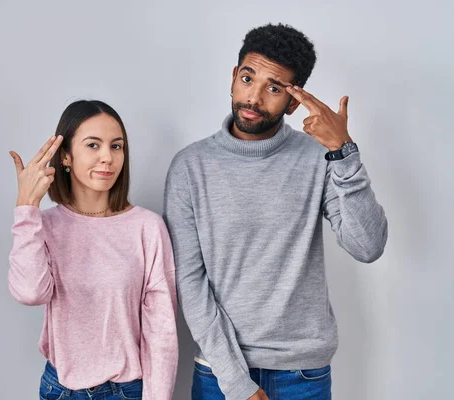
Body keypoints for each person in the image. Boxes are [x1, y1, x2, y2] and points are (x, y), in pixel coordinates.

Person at [163, 23, 388, 400]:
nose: (253, 98)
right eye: (248, 78)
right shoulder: (190, 167)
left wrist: (344, 153)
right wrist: (237, 383)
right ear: (234, 77)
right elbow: (190, 281)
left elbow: (368, 246)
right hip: (220, 374)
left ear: (294, 102)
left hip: (302, 375)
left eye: (274, 88)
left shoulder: (318, 158)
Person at [8, 100, 178, 400]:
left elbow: (161, 331)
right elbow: (30, 292)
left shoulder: (147, 227)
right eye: (93, 145)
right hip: (59, 389)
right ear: (66, 157)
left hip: (126, 392)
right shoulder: (43, 225)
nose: (107, 158)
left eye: (116, 146)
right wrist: (26, 207)